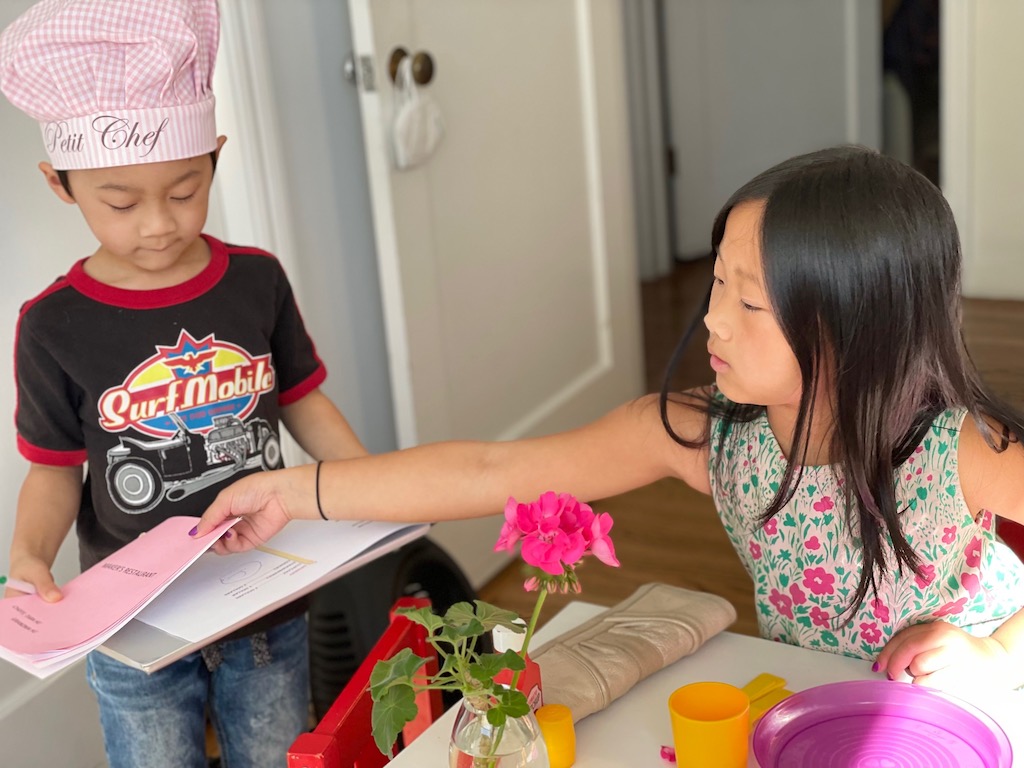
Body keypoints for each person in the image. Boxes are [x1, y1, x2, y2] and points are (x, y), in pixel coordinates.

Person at [195, 145, 1024, 693]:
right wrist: (290, 491)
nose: (714, 321)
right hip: (814, 693)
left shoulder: (955, 452)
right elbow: (490, 472)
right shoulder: (710, 435)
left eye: (751, 301)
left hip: (970, 700)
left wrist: (993, 650)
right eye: (717, 285)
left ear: (857, 328)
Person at [0, 1, 367, 766]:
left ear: (216, 158)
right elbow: (54, 469)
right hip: (134, 626)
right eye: (121, 202)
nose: (159, 224)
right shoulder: (51, 325)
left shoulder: (257, 281)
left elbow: (302, 400)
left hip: (266, 601)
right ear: (60, 183)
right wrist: (31, 554)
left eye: (184, 189)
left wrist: (372, 489)